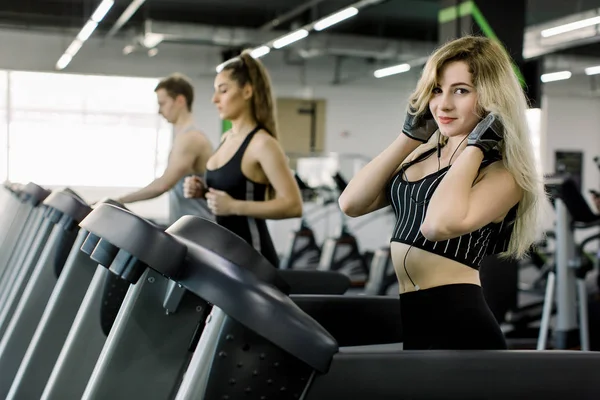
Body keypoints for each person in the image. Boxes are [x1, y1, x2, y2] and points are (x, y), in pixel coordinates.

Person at [338, 35, 545, 350]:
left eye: (460, 91)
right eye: (436, 90)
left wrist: (476, 145)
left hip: (460, 323)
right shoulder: (421, 154)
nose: (443, 104)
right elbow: (351, 203)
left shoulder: (503, 173)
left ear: (491, 97)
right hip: (413, 318)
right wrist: (409, 137)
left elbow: (438, 226)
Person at [183, 51, 303, 267]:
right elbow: (230, 195)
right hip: (224, 255)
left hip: (253, 259)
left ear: (247, 91)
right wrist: (203, 193)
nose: (214, 99)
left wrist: (234, 206)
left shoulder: (262, 144)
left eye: (223, 90)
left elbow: (293, 205)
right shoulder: (226, 137)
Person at [116, 73, 214, 224]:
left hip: (199, 230)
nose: (159, 111)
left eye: (162, 104)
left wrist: (120, 200)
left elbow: (163, 184)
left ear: (180, 100)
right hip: (187, 227)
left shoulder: (191, 139)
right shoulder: (182, 137)